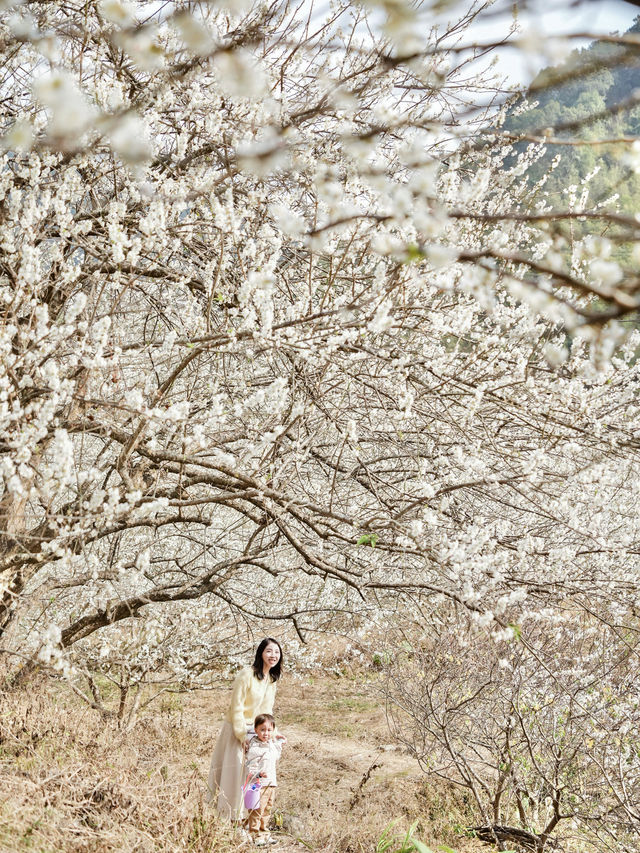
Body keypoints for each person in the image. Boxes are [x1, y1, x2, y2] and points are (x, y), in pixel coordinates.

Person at [206, 638, 283, 821]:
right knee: (235, 776)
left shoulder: (271, 680)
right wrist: (242, 735)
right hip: (237, 730)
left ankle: (249, 820)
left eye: (277, 653)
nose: (273, 656)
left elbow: (267, 710)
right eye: (269, 651)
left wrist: (273, 731)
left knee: (254, 777)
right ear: (261, 653)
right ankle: (230, 818)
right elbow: (236, 708)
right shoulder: (246, 675)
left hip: (257, 733)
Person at [245, 713, 284, 846]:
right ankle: (255, 834)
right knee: (257, 810)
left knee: (267, 809)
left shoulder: (270, 744)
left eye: (269, 730)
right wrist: (257, 774)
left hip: (271, 783)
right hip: (258, 785)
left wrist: (278, 741)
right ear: (256, 730)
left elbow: (276, 756)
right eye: (262, 729)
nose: (266, 733)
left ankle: (264, 833)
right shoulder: (255, 747)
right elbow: (250, 765)